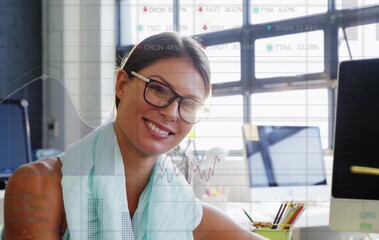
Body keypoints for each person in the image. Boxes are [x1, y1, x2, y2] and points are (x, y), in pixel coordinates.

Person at [3, 32, 266, 240]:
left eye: (189, 104)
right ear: (122, 85)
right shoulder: (37, 185)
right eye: (160, 89)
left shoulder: (180, 206)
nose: (171, 113)